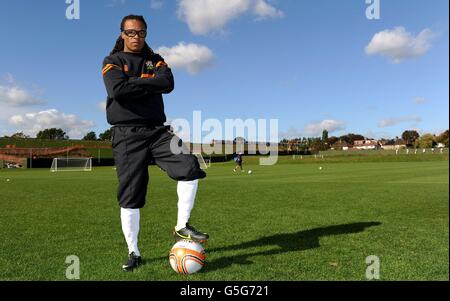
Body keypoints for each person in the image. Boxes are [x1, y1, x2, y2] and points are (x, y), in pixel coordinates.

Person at [102, 15, 209, 272]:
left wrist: (134, 84)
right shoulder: (112, 61)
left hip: (157, 132)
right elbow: (117, 91)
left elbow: (168, 83)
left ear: (145, 34)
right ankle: (134, 252)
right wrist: (150, 84)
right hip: (126, 134)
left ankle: (182, 226)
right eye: (130, 32)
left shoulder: (156, 60)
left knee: (189, 165)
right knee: (131, 195)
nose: (136, 37)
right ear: (121, 34)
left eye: (140, 32)